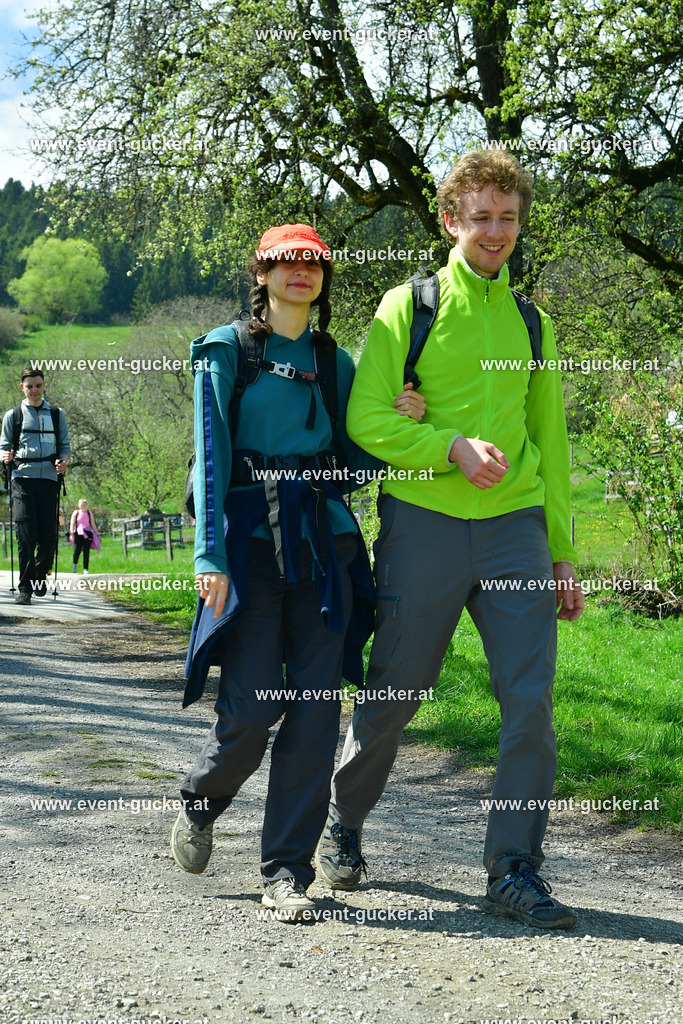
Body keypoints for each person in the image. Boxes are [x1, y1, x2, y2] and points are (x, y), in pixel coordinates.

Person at [316, 150, 585, 930]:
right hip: (422, 525)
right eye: (480, 217)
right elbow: (365, 419)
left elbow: (552, 443)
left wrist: (561, 550)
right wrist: (448, 447)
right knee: (394, 695)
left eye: (507, 217)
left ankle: (513, 868)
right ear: (449, 219)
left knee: (529, 702)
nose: (494, 231)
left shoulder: (535, 323)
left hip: (516, 531)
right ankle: (345, 823)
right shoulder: (410, 307)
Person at [172, 223, 426, 922]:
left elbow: (358, 463)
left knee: (315, 717)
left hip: (324, 548)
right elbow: (211, 455)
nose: (300, 272)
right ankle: (201, 799)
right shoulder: (225, 352)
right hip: (249, 548)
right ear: (261, 272)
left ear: (323, 278)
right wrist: (207, 556)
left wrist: (400, 421)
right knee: (250, 713)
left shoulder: (333, 359)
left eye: (313, 263)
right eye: (286, 261)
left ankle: (286, 872)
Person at [1, 367, 70, 604]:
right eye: (29, 386)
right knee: (25, 534)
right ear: (22, 387)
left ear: (44, 386)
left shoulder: (56, 414)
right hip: (22, 479)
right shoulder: (13, 415)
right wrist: (5, 457)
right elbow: (3, 445)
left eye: (38, 386)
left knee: (48, 537)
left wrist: (63, 461)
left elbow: (65, 445)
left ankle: (41, 575)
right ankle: (25, 589)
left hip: (49, 479)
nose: (34, 390)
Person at [69, 498, 100, 574]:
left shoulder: (89, 514)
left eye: (84, 505)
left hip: (87, 533)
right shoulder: (76, 513)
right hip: (78, 533)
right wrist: (72, 533)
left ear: (86, 506)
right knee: (77, 550)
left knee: (86, 551)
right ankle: (74, 566)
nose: (82, 506)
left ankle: (85, 568)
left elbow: (92, 524)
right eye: (81, 505)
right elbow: (72, 523)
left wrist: (97, 534)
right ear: (78, 505)